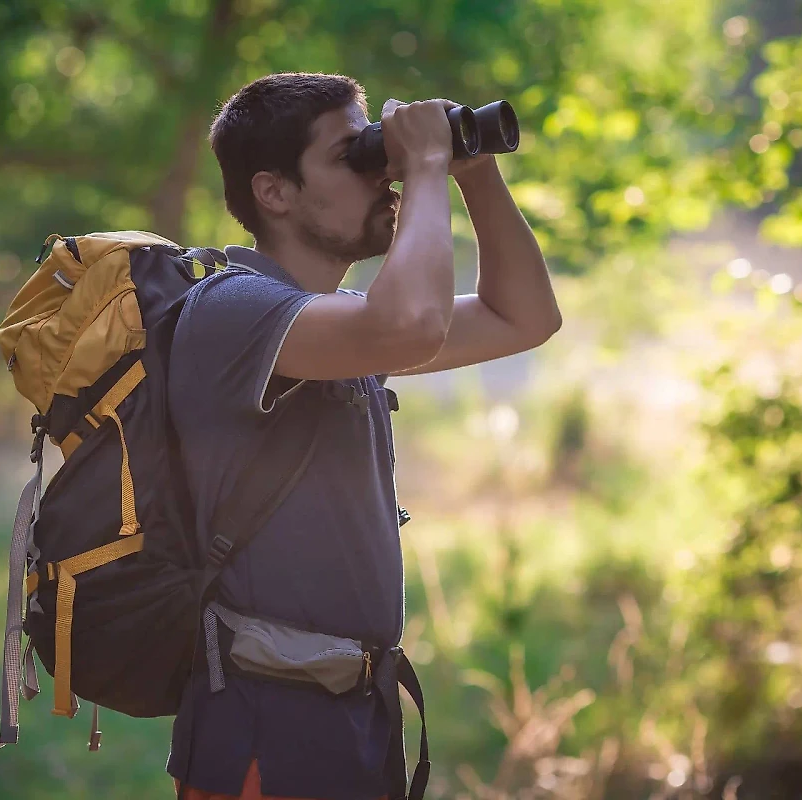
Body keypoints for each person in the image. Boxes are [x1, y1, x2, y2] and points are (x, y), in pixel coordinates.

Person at [167, 72, 562, 800]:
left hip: (353, 717)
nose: (383, 173)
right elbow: (408, 325)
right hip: (265, 731)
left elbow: (526, 317)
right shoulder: (234, 308)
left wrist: (474, 174)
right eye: (353, 155)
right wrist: (428, 165)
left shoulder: (338, 321)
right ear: (274, 192)